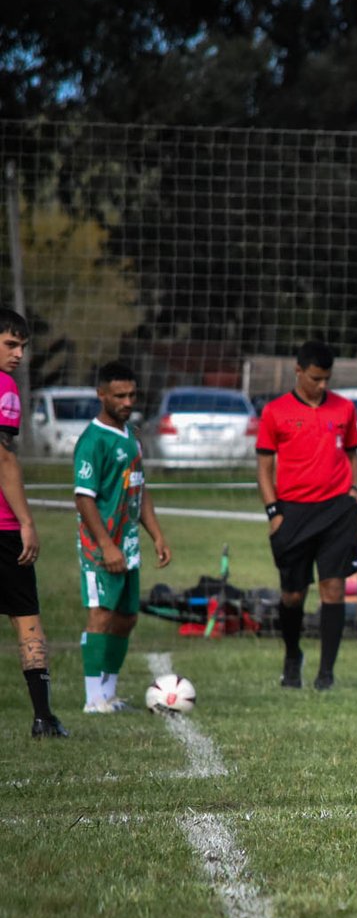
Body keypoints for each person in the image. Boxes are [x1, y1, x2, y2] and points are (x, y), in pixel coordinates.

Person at [255, 341, 357, 691]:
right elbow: (264, 468)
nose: (322, 385)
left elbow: (353, 454)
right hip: (293, 513)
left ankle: (326, 673)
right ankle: (292, 656)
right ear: (298, 371)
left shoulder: (344, 408)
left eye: (327, 379)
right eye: (316, 378)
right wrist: (274, 512)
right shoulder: (275, 412)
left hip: (336, 511)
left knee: (333, 588)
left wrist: (353, 490)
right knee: (293, 595)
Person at [74, 359, 172, 712]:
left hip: (128, 546)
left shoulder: (131, 436)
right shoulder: (92, 441)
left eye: (132, 395)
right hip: (101, 548)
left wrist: (156, 535)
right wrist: (106, 545)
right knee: (101, 615)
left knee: (127, 617)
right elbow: (84, 498)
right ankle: (92, 699)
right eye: (119, 396)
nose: (128, 402)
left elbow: (139, 489)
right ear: (101, 395)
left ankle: (109, 693)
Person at [0, 309, 66, 737]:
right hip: (3, 527)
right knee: (26, 619)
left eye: (23, 346)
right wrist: (26, 521)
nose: (19, 354)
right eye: (10, 344)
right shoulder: (4, 388)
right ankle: (43, 717)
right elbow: (4, 459)